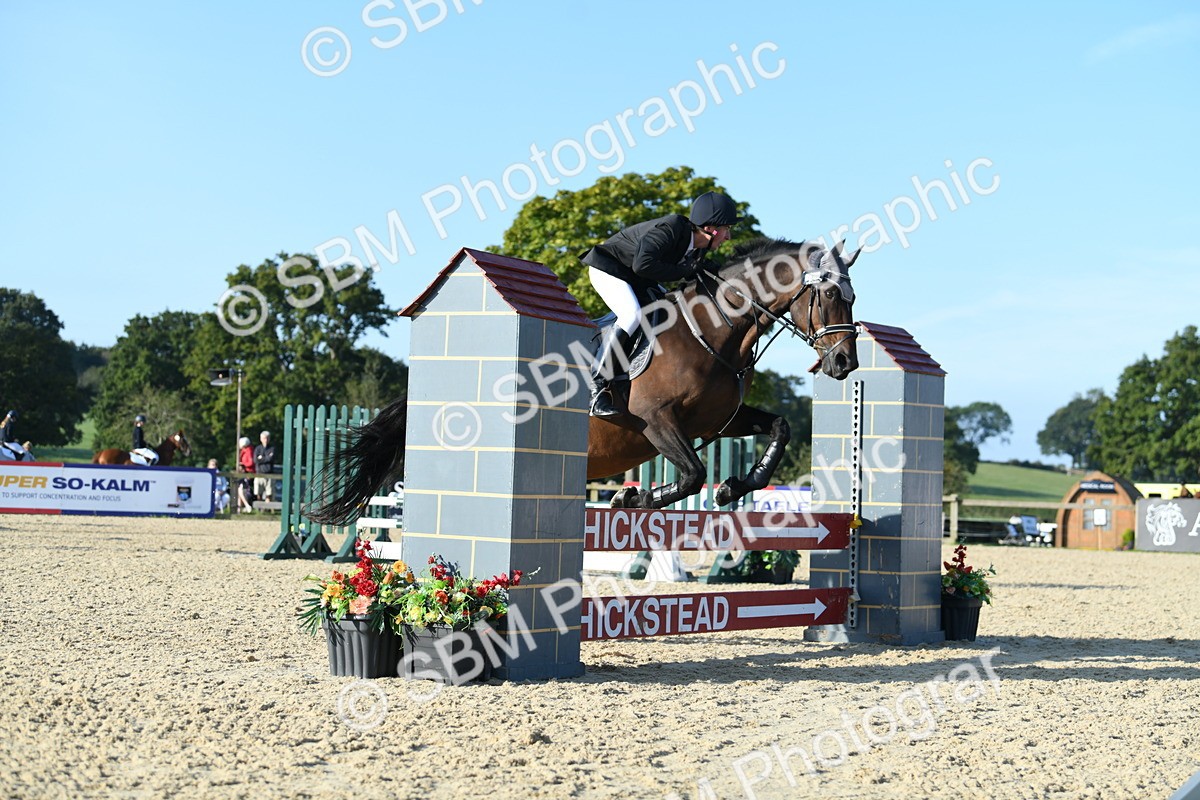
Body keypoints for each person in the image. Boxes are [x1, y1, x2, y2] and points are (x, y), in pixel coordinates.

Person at [579, 190, 740, 417]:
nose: (728, 237)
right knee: (631, 315)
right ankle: (596, 389)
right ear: (711, 228)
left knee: (668, 308)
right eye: (727, 230)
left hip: (635, 277)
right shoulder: (672, 228)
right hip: (608, 269)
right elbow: (642, 265)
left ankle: (631, 373)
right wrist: (686, 270)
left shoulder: (698, 249)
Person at [253, 430, 276, 502]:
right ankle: (259, 510)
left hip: (269, 474)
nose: (265, 440)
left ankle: (267, 509)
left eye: (267, 438)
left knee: (269, 493)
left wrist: (261, 458)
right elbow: (255, 460)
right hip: (259, 473)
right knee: (258, 493)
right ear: (260, 439)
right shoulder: (257, 449)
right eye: (264, 438)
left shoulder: (272, 448)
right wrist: (266, 458)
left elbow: (271, 459)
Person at [237, 436, 256, 513]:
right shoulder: (244, 451)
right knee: (239, 490)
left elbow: (251, 462)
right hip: (244, 473)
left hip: (248, 473)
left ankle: (246, 506)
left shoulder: (249, 451)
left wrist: (243, 464)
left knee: (240, 489)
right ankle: (239, 509)